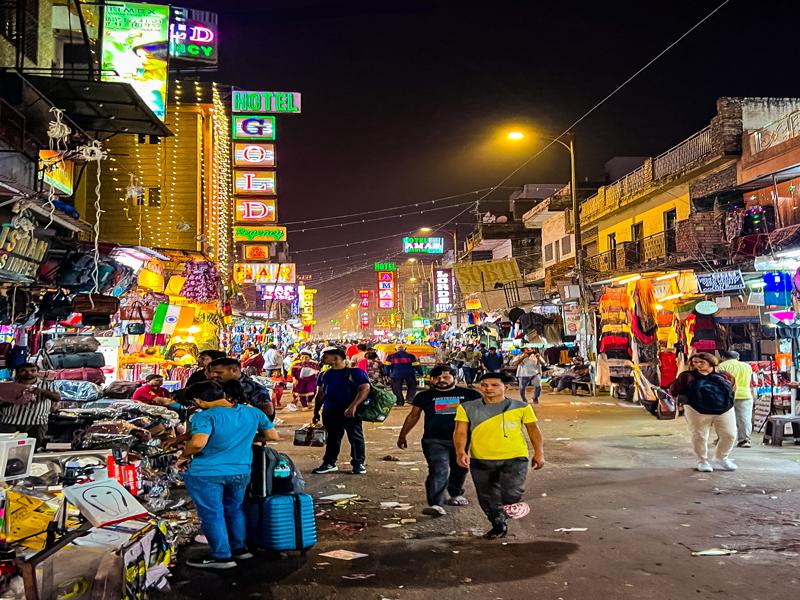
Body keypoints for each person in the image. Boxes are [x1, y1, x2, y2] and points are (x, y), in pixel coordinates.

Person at [177, 380, 278, 569]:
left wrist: (184, 454)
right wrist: (246, 439)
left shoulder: (204, 417)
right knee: (235, 509)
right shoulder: (252, 412)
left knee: (212, 513)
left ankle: (222, 556)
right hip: (240, 470)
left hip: (207, 473)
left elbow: (198, 443)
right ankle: (239, 549)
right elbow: (273, 436)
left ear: (198, 401)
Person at [454, 372, 544, 539]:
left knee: (511, 492)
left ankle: (509, 507)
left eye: (494, 385)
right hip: (480, 458)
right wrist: (460, 452)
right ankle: (498, 523)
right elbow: (460, 432)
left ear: (506, 387)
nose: (488, 388)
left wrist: (539, 452)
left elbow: (533, 430)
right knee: (486, 496)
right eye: (484, 385)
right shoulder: (467, 407)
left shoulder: (521, 407)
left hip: (515, 457)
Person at [397, 365, 482, 516]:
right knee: (438, 470)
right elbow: (413, 416)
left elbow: (483, 414)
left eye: (445, 377)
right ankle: (435, 503)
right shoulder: (423, 396)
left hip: (462, 441)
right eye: (437, 377)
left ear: (454, 378)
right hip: (434, 440)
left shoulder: (470, 394)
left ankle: (455, 493)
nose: (441, 380)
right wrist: (403, 434)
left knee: (460, 468)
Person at [669, 352, 737, 472]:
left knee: (730, 434)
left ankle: (721, 457)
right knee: (700, 436)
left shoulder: (725, 376)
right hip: (696, 410)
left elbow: (732, 389)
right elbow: (674, 391)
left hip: (724, 408)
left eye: (701, 362)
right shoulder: (686, 376)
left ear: (711, 362)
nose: (698, 365)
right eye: (695, 362)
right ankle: (703, 461)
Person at [312, 348, 370, 474]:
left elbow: (365, 389)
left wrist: (353, 406)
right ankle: (329, 463)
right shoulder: (324, 374)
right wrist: (316, 411)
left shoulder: (356, 373)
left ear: (336, 358)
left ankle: (358, 463)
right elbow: (320, 394)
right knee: (332, 438)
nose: (322, 359)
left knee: (355, 438)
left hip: (350, 412)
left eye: (325, 357)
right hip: (330, 412)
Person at [0, 363, 61, 449]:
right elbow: (2, 404)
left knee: (32, 449)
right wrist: (14, 400)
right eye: (24, 371)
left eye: (33, 370)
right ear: (18, 372)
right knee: (8, 450)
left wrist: (42, 391)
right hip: (10, 423)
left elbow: (57, 398)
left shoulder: (48, 385)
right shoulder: (9, 386)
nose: (29, 373)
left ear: (38, 372)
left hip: (36, 424)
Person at [208, 357, 274, 418]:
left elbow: (268, 414)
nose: (213, 375)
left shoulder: (255, 389)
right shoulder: (213, 386)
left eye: (218, 372)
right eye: (212, 372)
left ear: (234, 370)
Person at [716, 350, 754, 448]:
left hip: (727, 395)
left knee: (724, 418)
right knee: (744, 419)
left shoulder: (722, 366)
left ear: (724, 358)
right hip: (745, 394)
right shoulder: (747, 366)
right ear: (738, 358)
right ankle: (745, 440)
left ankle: (724, 439)